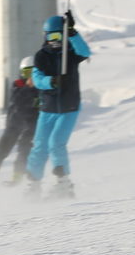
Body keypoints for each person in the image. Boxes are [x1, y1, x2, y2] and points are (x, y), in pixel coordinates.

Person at [28, 12, 91, 198]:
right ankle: (33, 184)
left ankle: (63, 183)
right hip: (47, 108)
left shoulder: (70, 53)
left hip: (68, 107)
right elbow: (37, 79)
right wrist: (51, 82)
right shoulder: (41, 56)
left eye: (58, 36)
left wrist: (72, 32)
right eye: (51, 37)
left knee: (56, 143)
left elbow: (85, 52)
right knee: (39, 145)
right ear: (45, 37)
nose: (54, 41)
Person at [0, 57, 39, 187]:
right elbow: (19, 101)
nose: (30, 77)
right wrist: (29, 88)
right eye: (27, 73)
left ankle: (17, 177)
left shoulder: (42, 88)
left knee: (24, 150)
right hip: (14, 125)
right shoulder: (18, 85)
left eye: (33, 73)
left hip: (31, 126)